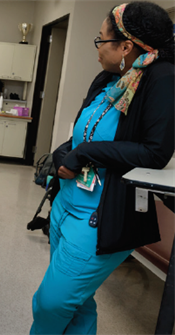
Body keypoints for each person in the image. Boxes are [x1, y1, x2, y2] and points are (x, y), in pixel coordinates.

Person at [30, 3, 175, 334]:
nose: (96, 47)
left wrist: (84, 153)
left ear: (125, 47)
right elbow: (84, 130)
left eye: (101, 40)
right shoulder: (110, 78)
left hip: (102, 212)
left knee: (50, 302)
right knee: (79, 302)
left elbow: (154, 152)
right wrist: (65, 152)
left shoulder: (162, 80)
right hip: (66, 203)